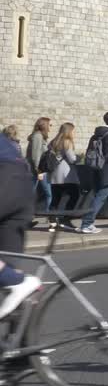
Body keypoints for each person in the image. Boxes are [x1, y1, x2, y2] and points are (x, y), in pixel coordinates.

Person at [0, 129, 42, 321]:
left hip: (7, 180)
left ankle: (19, 282)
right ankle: (25, 348)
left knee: (13, 281)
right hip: (18, 182)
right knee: (8, 279)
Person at [46, 122, 79, 231]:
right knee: (74, 196)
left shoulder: (53, 142)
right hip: (66, 176)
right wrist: (79, 157)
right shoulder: (67, 142)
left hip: (54, 176)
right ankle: (66, 219)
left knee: (55, 199)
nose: (74, 133)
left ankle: (52, 222)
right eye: (73, 130)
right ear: (69, 131)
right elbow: (72, 159)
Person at [25, 117, 52, 214]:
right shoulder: (38, 136)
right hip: (37, 170)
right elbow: (35, 156)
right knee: (44, 194)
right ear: (44, 125)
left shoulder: (40, 136)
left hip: (39, 170)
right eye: (49, 124)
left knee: (46, 194)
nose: (50, 127)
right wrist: (38, 171)